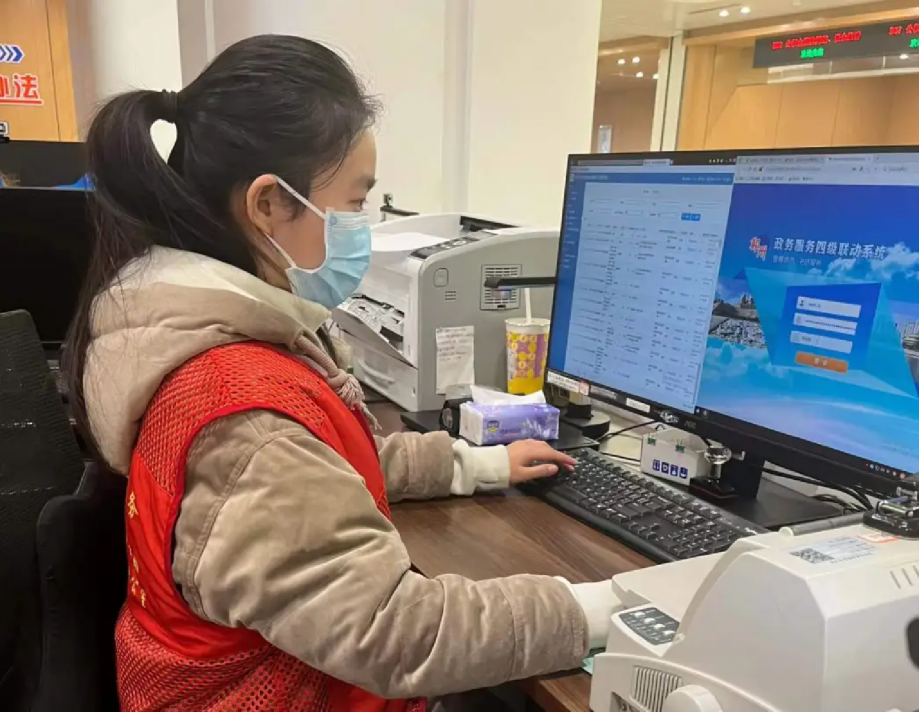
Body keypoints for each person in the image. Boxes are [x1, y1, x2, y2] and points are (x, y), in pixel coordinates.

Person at [64, 34, 620, 711]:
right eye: (356, 203)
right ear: (268, 204)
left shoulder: (199, 340)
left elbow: (324, 464)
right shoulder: (247, 423)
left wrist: (476, 466)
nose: (363, 226)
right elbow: (399, 634)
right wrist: (609, 607)